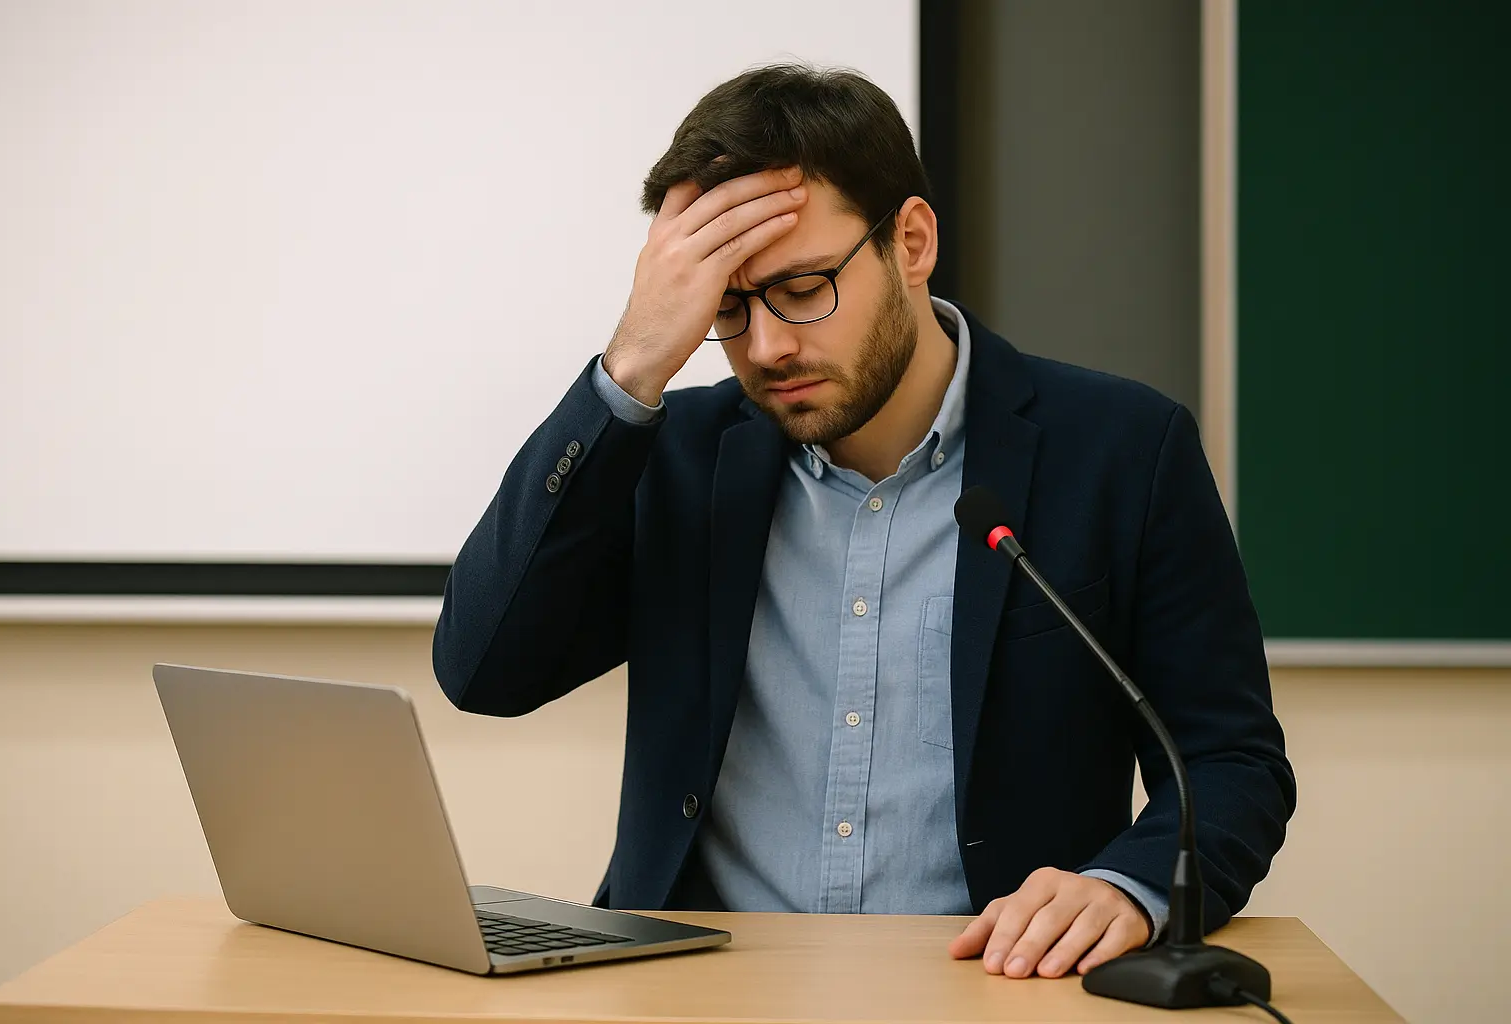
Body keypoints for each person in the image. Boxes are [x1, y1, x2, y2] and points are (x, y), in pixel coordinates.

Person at [433, 63, 1295, 980]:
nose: (767, 347)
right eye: (727, 307)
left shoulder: (1120, 450)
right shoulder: (675, 458)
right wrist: (633, 365)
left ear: (911, 242)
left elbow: (1230, 761)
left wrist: (1128, 885)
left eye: (803, 288)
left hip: (996, 990)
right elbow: (484, 670)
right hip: (696, 994)